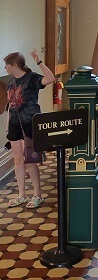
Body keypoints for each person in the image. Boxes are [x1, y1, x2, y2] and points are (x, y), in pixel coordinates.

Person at [4, 49, 55, 209]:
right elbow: (11, 105)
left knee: (30, 160)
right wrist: (8, 124)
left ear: (15, 65)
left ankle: (37, 194)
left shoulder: (31, 78)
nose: (5, 67)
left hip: (29, 123)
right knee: (18, 160)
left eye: (7, 65)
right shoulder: (10, 83)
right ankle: (22, 194)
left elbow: (50, 79)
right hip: (14, 124)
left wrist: (39, 61)